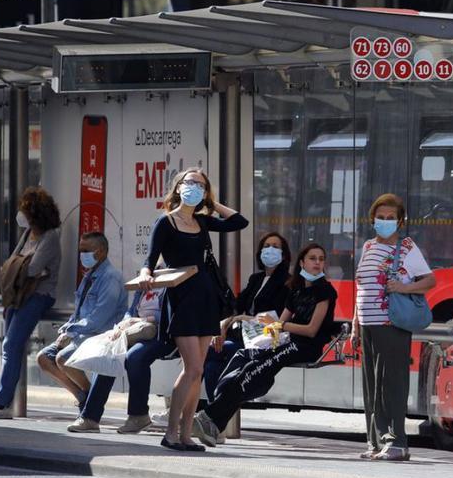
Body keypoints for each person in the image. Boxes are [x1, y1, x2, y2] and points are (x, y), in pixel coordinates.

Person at [135, 168, 248, 451]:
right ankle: (170, 433)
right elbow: (149, 260)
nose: (194, 187)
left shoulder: (203, 221)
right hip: (182, 299)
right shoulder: (166, 222)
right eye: (190, 182)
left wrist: (211, 202)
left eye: (200, 184)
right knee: (193, 367)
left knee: (197, 372)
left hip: (206, 299)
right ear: (178, 187)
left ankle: (185, 435)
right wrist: (145, 274)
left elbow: (239, 221)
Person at [193, 243, 337, 448]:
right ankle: (214, 423)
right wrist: (256, 323)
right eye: (312, 258)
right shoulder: (295, 289)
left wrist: (280, 325)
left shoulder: (325, 291)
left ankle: (209, 418)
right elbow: (278, 325)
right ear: (302, 262)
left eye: (321, 259)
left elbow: (311, 330)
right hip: (286, 341)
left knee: (255, 369)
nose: (317, 263)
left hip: (306, 346)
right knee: (243, 358)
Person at [352, 193, 435, 461]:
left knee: (392, 382)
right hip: (367, 323)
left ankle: (397, 441)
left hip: (391, 322)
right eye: (381, 217)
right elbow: (361, 287)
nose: (385, 222)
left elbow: (429, 280)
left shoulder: (407, 247)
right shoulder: (367, 247)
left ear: (400, 222)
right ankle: (376, 441)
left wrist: (403, 286)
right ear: (372, 219)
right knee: (371, 384)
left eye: (391, 218)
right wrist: (355, 324)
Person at [0, 186, 62, 419]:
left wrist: (22, 268)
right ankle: (3, 401)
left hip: (39, 295)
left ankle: (2, 402)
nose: (20, 215)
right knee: (10, 345)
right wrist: (23, 268)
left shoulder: (50, 237)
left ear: (35, 213)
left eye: (24, 211)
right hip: (20, 294)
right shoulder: (28, 234)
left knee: (11, 344)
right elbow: (13, 264)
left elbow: (32, 268)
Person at [37, 232, 126, 406]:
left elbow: (99, 319)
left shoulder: (111, 278)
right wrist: (66, 328)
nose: (81, 255)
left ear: (100, 252)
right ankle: (83, 396)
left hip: (100, 336)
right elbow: (78, 313)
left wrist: (71, 332)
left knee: (63, 358)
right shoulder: (88, 277)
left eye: (86, 250)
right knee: (43, 358)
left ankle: (89, 398)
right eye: (80, 250)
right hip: (81, 335)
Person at [203, 232, 292, 404]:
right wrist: (224, 325)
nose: (270, 250)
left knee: (210, 351)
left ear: (284, 254)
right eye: (266, 246)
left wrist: (245, 318)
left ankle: (209, 409)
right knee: (211, 365)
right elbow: (237, 306)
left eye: (275, 246)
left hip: (262, 339)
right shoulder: (256, 279)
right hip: (242, 334)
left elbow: (276, 316)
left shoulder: (288, 282)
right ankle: (214, 408)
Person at [66, 288, 169, 434]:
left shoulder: (171, 282)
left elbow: (169, 315)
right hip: (135, 330)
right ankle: (90, 417)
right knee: (109, 352)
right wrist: (124, 324)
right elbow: (131, 310)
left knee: (135, 357)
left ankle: (138, 415)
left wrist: (142, 320)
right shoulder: (146, 282)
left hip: (160, 333)